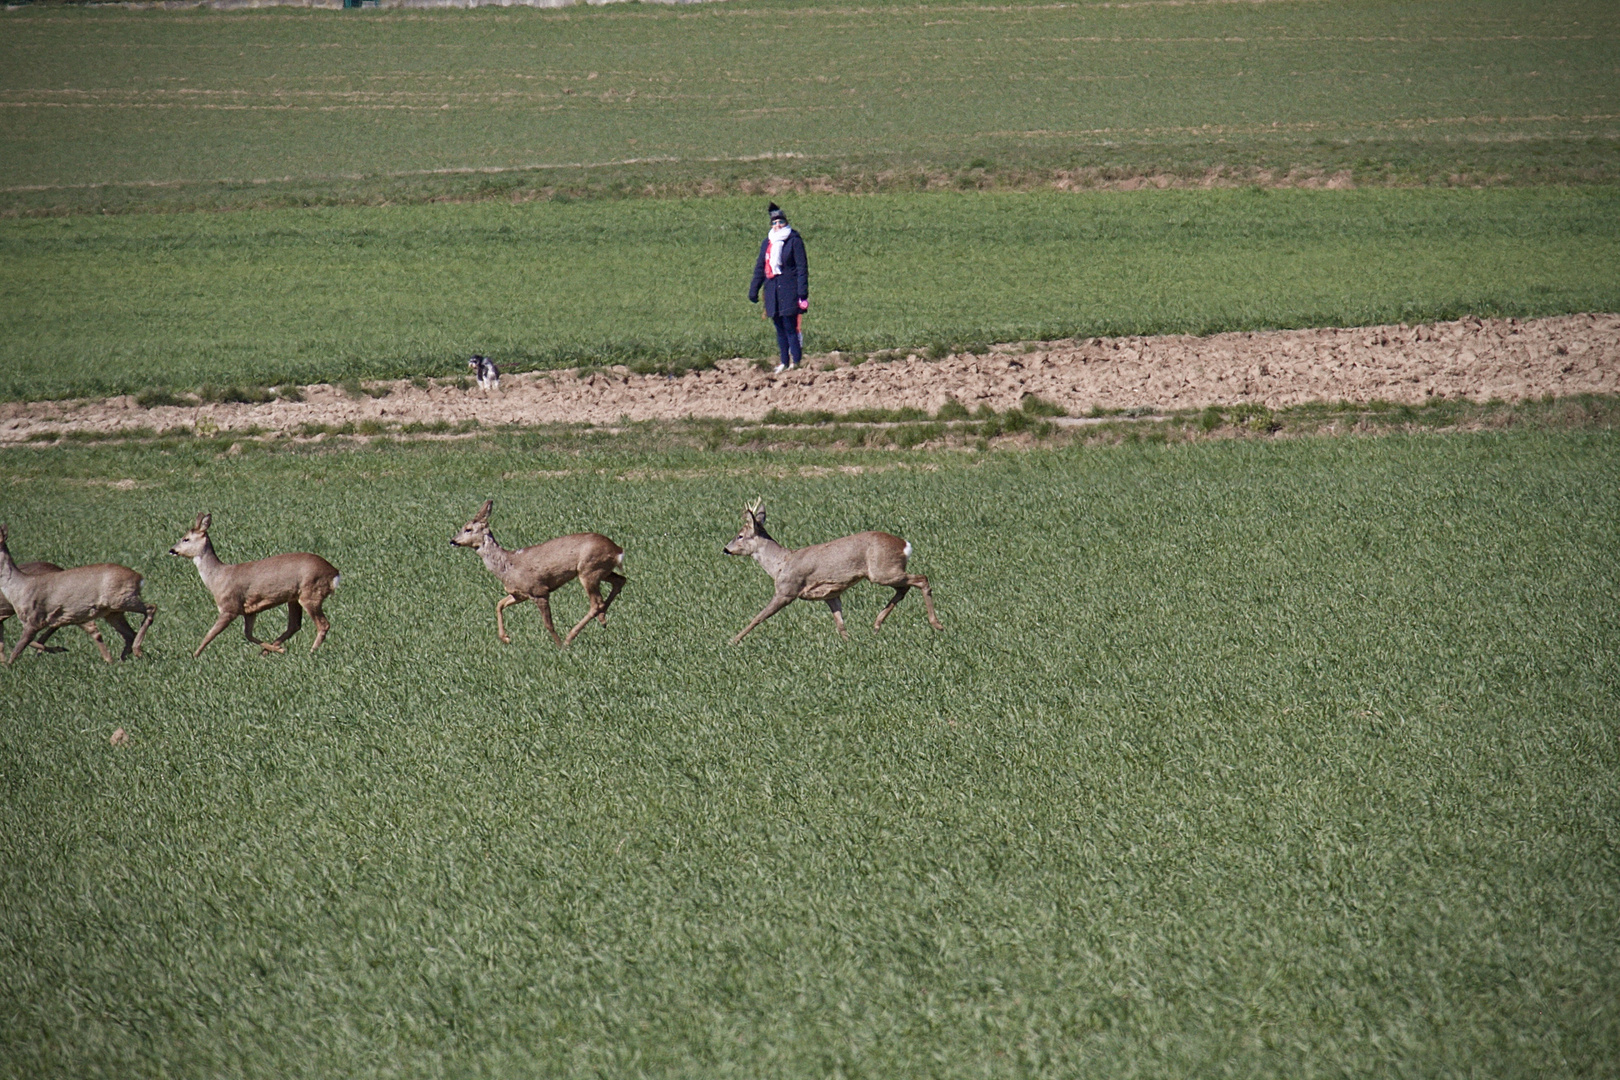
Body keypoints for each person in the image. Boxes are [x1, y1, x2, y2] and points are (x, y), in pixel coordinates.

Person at [749, 202, 809, 373]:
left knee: (790, 326)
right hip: (772, 289)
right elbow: (760, 267)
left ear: (786, 222)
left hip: (789, 288)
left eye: (780, 222)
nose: (777, 226)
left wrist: (802, 292)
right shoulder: (767, 242)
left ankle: (795, 361)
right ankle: (783, 361)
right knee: (779, 327)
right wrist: (754, 289)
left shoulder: (794, 241)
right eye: (774, 223)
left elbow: (801, 267)